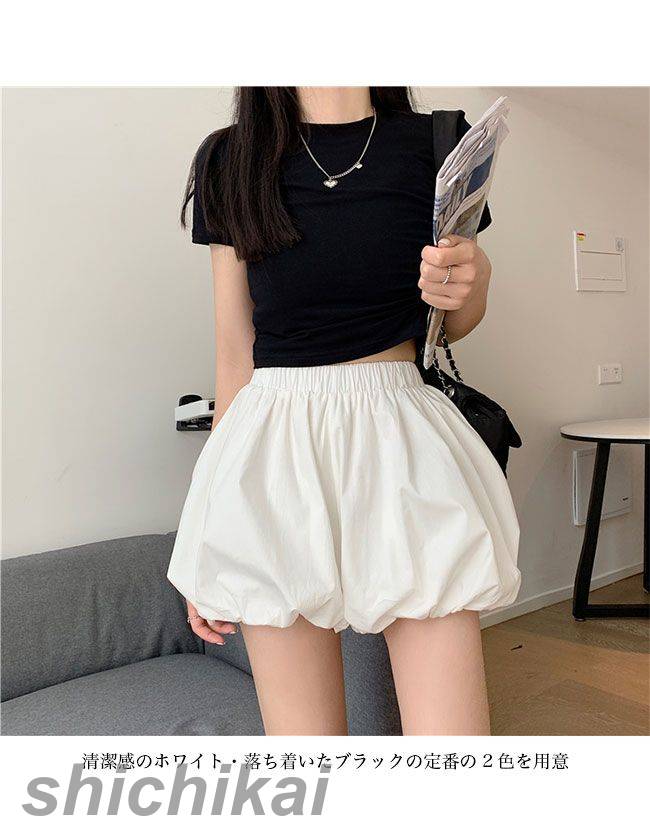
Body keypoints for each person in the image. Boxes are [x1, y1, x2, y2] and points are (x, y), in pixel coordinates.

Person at [166, 86, 521, 735]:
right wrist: (205, 530)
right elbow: (233, 357)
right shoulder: (229, 158)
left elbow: (450, 324)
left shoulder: (437, 143)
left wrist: (476, 280)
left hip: (404, 442)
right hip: (272, 453)